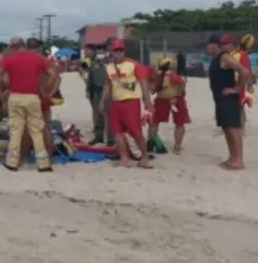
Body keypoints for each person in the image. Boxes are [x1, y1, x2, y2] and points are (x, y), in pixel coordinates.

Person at [0, 37, 57, 172]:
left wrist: (4, 86)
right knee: (36, 130)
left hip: (15, 97)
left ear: (14, 47)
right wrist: (46, 88)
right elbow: (53, 74)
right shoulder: (38, 58)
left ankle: (12, 162)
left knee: (16, 131)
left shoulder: (9, 59)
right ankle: (43, 163)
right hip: (32, 97)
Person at [101, 39, 153, 168]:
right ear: (111, 52)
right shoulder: (108, 67)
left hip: (131, 102)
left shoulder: (133, 64)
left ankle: (144, 157)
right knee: (117, 132)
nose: (118, 52)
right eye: (115, 50)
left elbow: (143, 83)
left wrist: (147, 102)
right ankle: (124, 158)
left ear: (124, 51)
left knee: (136, 131)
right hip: (115, 102)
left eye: (120, 50)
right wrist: (103, 101)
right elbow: (107, 85)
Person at [206, 35, 251, 170]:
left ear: (214, 45)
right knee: (226, 129)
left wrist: (236, 88)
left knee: (233, 129)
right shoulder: (215, 59)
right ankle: (232, 157)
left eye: (207, 45)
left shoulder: (224, 57)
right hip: (220, 99)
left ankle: (238, 160)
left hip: (229, 99)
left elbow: (244, 71)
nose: (206, 48)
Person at [149, 56, 190, 154]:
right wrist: (180, 93)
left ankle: (151, 142)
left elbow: (152, 90)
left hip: (165, 99)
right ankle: (177, 146)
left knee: (154, 121)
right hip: (175, 99)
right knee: (179, 123)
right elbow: (182, 84)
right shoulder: (170, 76)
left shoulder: (157, 76)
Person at [79, 44, 112, 145]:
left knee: (109, 115)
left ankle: (111, 138)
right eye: (98, 52)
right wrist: (89, 90)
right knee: (97, 114)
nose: (99, 54)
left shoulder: (110, 63)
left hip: (108, 91)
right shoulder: (93, 63)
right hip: (96, 91)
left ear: (105, 52)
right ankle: (99, 136)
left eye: (101, 52)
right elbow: (90, 78)